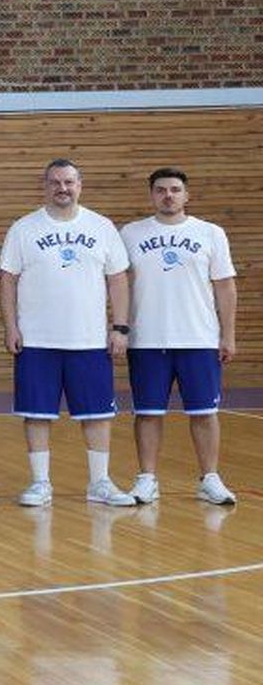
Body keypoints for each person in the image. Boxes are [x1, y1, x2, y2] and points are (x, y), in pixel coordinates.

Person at [0, 159, 136, 507]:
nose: (63, 188)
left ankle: (100, 482)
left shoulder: (102, 226)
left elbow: (118, 280)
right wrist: (11, 326)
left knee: (97, 413)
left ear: (79, 185)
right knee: (37, 413)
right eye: (56, 182)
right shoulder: (23, 228)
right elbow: (8, 280)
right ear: (45, 186)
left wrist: (120, 327)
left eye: (69, 182)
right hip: (37, 339)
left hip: (89, 339)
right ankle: (40, 482)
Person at [121, 168, 239, 505]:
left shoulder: (210, 233)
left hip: (198, 338)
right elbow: (118, 284)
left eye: (175, 189)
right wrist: (120, 327)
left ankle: (210, 479)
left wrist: (228, 334)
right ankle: (147, 479)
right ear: (152, 195)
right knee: (148, 412)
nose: (168, 195)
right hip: (147, 339)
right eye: (161, 190)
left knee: (204, 412)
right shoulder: (130, 233)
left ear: (187, 195)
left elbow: (225, 286)